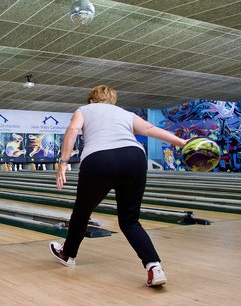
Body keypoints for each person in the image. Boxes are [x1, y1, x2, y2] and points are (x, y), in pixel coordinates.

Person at [50, 85, 187, 287]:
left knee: (82, 211)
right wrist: (182, 142)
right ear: (112, 101)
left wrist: (63, 163)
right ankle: (154, 266)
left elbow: (72, 129)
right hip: (134, 157)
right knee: (130, 221)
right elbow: (150, 129)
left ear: (91, 100)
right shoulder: (124, 113)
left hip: (99, 160)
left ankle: (68, 254)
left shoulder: (84, 110)